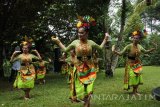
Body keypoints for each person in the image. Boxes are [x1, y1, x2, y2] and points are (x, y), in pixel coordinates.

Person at [51, 16, 109, 107]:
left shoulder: (91, 42)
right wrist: (58, 42)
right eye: (78, 33)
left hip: (90, 68)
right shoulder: (75, 42)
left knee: (89, 88)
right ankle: (86, 103)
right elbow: (66, 50)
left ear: (87, 33)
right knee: (80, 89)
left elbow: (100, 48)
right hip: (79, 68)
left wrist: (105, 39)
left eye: (82, 33)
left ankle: (86, 104)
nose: (79, 35)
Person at [112, 30, 155, 95]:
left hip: (137, 64)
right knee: (132, 76)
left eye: (136, 38)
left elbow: (145, 51)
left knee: (137, 77)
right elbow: (121, 53)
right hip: (130, 64)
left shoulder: (140, 46)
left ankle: (135, 91)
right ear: (132, 39)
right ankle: (134, 92)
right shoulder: (129, 46)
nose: (135, 39)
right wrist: (115, 51)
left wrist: (151, 49)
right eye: (134, 38)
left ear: (139, 39)